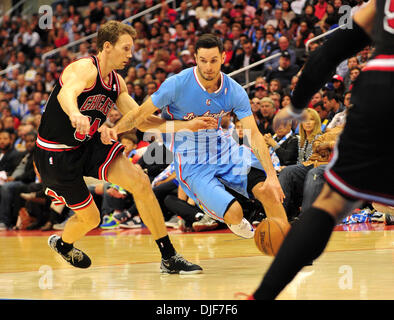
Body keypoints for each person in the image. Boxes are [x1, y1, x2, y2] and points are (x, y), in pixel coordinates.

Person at [34, 21, 217, 273]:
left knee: (140, 181)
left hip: (88, 144)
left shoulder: (117, 82)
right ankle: (64, 244)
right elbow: (67, 94)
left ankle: (169, 257)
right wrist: (75, 113)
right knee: (92, 219)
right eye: (126, 48)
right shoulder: (84, 69)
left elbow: (142, 119)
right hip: (55, 152)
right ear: (107, 46)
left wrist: (187, 125)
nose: (130, 55)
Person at [250, 0, 393, 299]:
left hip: (379, 82)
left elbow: (330, 50)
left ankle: (260, 297)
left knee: (330, 203)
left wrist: (297, 104)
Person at [109, 33, 289, 240]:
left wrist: (272, 177)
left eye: (214, 60)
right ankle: (229, 218)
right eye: (203, 61)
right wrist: (116, 130)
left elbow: (255, 135)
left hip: (225, 151)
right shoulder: (176, 84)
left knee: (268, 191)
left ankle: (288, 249)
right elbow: (141, 120)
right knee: (235, 213)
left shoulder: (234, 90)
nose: (208, 67)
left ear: (223, 57)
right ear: (195, 58)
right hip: (192, 162)